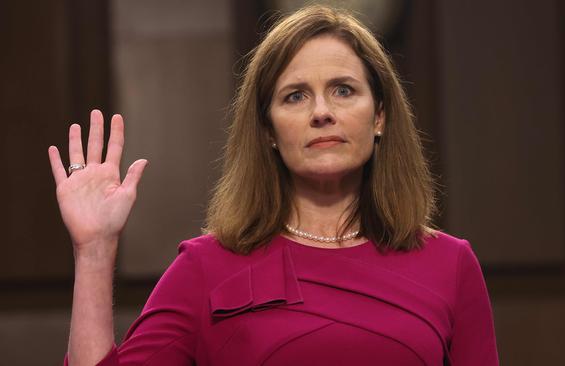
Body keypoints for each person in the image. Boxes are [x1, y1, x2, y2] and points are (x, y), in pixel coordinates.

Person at [49, 5, 498, 366]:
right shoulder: (206, 267)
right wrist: (93, 252)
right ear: (268, 130)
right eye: (295, 95)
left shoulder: (451, 264)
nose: (321, 112)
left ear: (379, 117)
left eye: (343, 90)